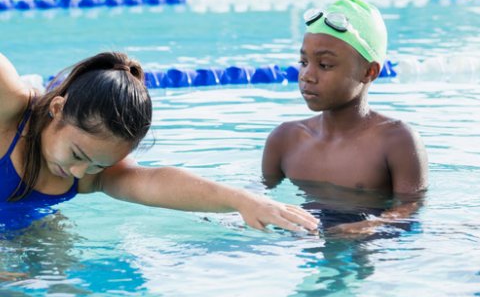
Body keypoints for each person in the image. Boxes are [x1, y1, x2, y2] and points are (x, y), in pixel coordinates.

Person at [0, 51, 318, 232]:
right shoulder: (10, 106)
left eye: (100, 164)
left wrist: (243, 201)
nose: (81, 173)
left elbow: (153, 182)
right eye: (78, 154)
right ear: (57, 109)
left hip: (25, 226)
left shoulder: (91, 175)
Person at [262, 0, 428, 234]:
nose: (307, 75)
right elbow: (258, 199)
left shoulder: (397, 140)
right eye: (303, 62)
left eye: (325, 65)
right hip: (300, 242)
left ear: (369, 72)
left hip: (367, 247)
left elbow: (412, 208)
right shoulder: (284, 140)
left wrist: (369, 227)